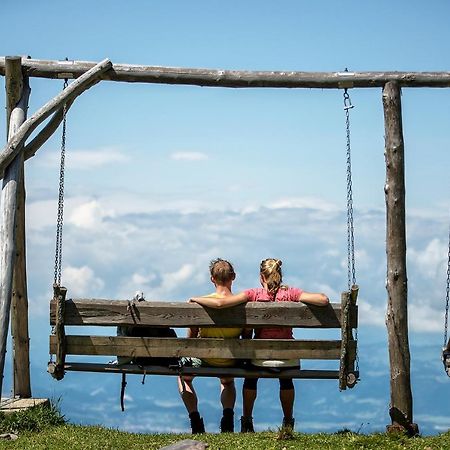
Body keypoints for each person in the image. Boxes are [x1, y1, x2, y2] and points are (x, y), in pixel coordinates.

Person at [190, 258, 329, 433]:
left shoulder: (253, 294)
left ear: (261, 277)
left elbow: (220, 304)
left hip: (260, 358)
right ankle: (288, 421)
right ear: (279, 275)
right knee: (286, 380)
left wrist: (195, 299)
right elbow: (323, 300)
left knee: (250, 376)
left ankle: (247, 421)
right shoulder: (292, 293)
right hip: (288, 358)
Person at [178, 258, 242, 434]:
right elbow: (247, 335)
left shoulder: (201, 303)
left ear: (212, 279)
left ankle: (195, 421)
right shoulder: (242, 304)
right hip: (230, 361)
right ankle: (228, 417)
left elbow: (191, 338)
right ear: (233, 277)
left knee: (184, 377)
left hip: (204, 358)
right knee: (227, 382)